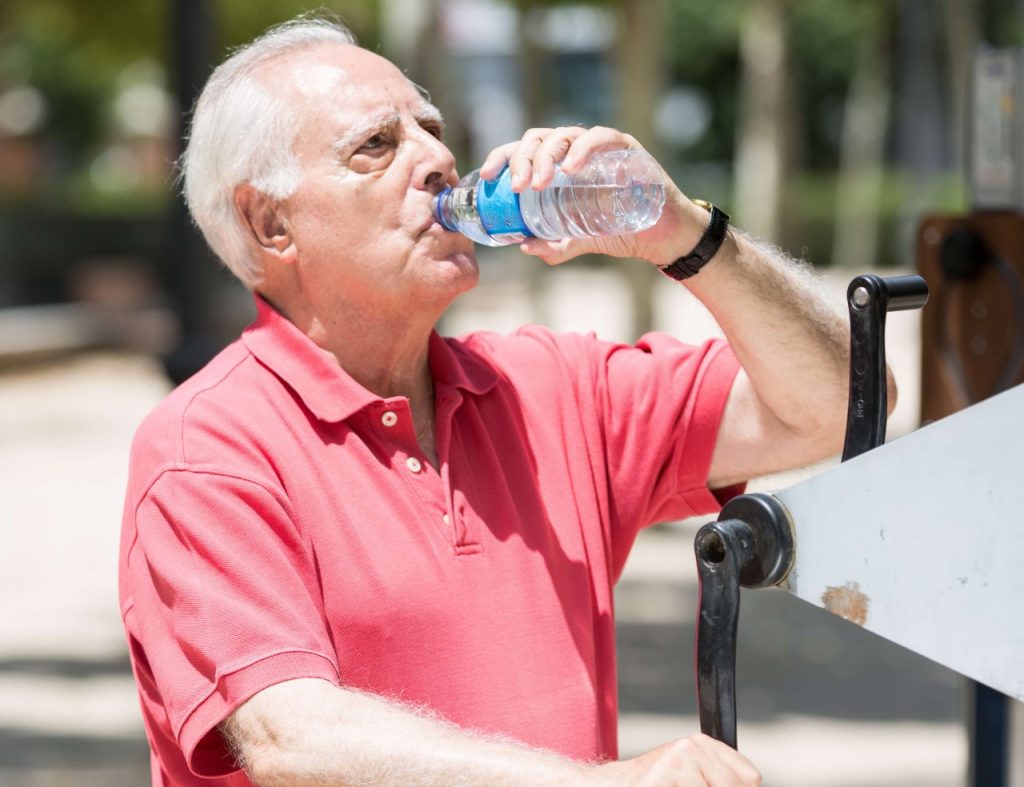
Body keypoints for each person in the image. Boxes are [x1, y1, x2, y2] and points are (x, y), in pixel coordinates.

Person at [119, 15, 884, 787]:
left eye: (432, 130)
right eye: (376, 146)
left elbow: (843, 400)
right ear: (269, 221)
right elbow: (293, 736)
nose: (438, 160)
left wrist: (683, 231)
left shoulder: (548, 385)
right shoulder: (208, 445)